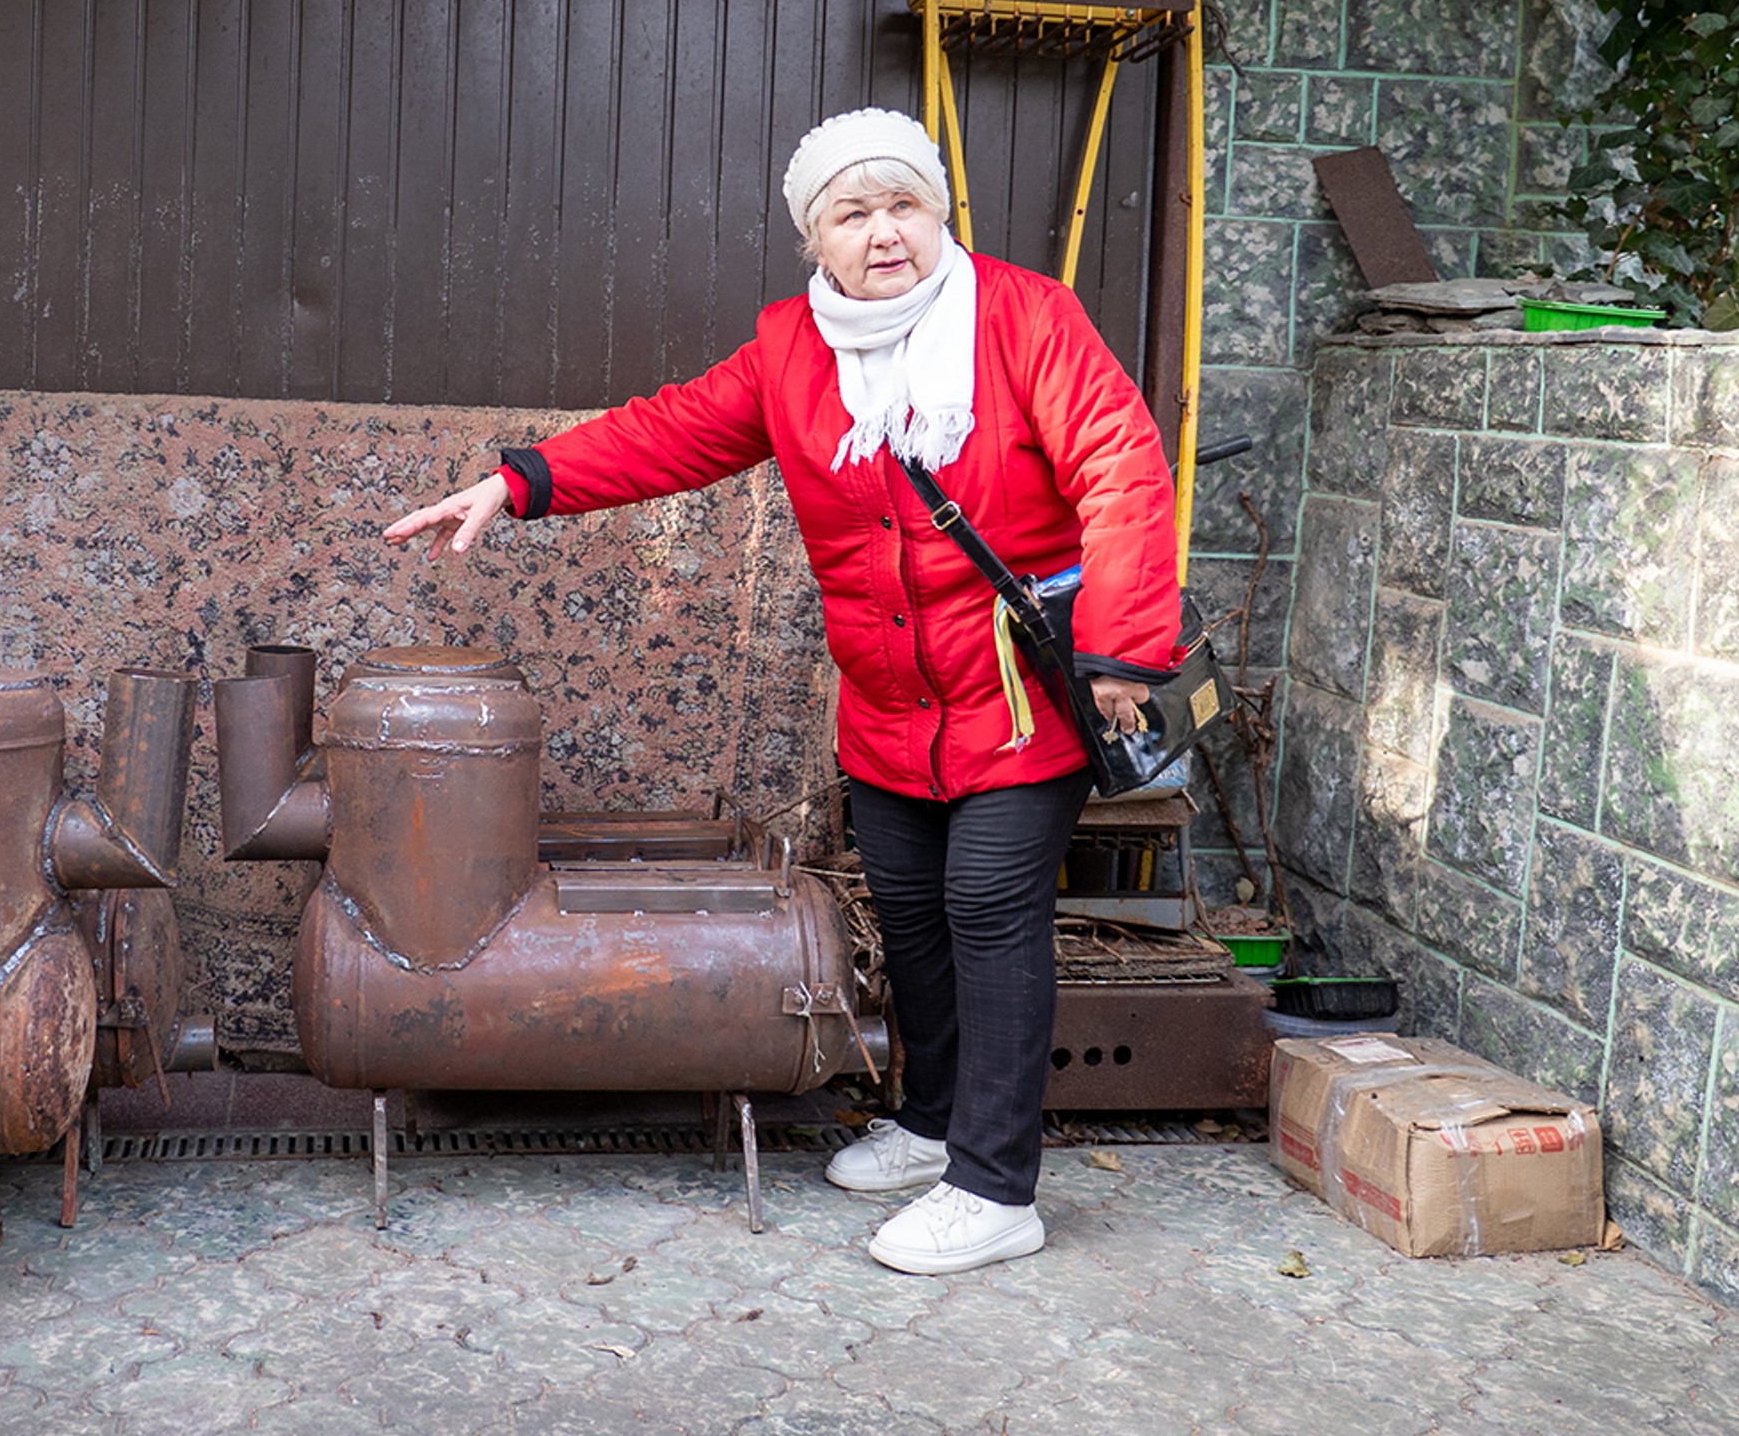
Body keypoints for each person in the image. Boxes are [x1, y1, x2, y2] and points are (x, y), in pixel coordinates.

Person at [384, 106, 1181, 1276]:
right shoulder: (790, 349)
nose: (885, 232)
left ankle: (998, 1185)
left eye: (903, 203)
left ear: (938, 212)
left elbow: (1122, 468)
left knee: (989, 910)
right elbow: (672, 434)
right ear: (818, 239)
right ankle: (931, 1125)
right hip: (889, 701)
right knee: (909, 914)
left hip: (1018, 693)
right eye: (853, 214)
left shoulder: (1024, 319)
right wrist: (521, 483)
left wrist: (1118, 653)